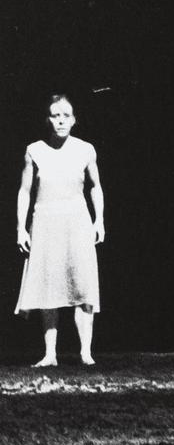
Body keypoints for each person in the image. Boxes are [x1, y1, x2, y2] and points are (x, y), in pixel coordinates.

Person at [15, 94, 104, 367]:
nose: (61, 120)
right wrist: (21, 228)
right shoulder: (34, 150)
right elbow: (25, 191)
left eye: (66, 115)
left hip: (77, 218)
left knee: (83, 284)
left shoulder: (86, 149)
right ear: (47, 119)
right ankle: (50, 353)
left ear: (74, 119)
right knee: (47, 285)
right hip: (45, 220)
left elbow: (95, 186)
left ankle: (85, 352)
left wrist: (99, 219)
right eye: (55, 115)